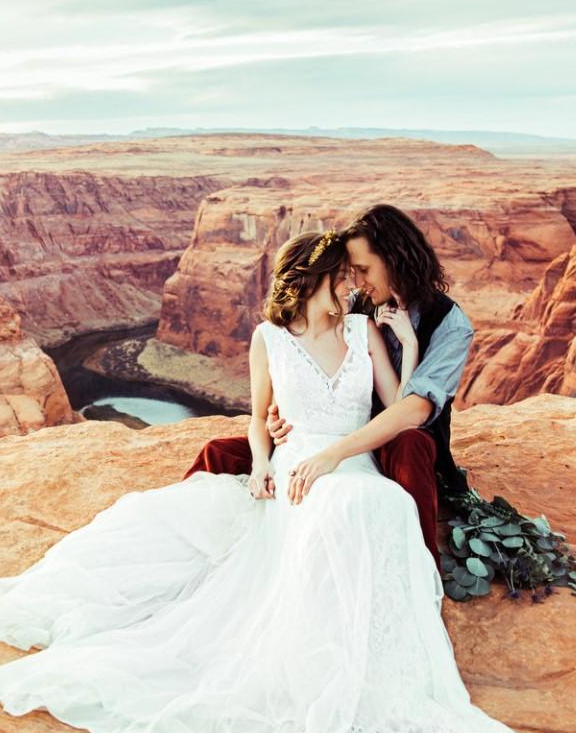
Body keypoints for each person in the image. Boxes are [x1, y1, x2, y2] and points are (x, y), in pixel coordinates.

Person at [0, 229, 524, 733]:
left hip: (352, 459)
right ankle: (315, 661)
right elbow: (258, 420)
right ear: (313, 279)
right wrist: (261, 464)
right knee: (335, 509)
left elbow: (399, 407)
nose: (352, 285)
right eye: (342, 276)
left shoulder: (363, 329)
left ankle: (367, 660)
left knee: (379, 505)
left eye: (355, 274)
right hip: (296, 459)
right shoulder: (269, 338)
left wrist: (410, 343)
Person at [186, 203, 477, 565]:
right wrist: (282, 411)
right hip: (315, 442)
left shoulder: (449, 324)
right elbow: (307, 352)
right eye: (348, 273)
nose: (355, 284)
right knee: (219, 454)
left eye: (362, 270)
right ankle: (192, 546)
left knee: (410, 445)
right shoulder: (353, 303)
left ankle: (418, 563)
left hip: (391, 441)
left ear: (394, 259)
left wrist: (333, 453)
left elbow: (411, 410)